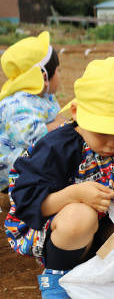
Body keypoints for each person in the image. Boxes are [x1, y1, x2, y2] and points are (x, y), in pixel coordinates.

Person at [4, 57, 114, 299]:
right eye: (102, 131)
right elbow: (28, 199)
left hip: (105, 228)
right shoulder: (58, 146)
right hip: (62, 232)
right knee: (79, 214)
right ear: (76, 114)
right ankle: (58, 273)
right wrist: (75, 194)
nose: (112, 143)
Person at [0, 32, 65, 192]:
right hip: (12, 171)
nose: (60, 75)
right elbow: (28, 136)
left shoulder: (45, 96)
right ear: (44, 77)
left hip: (32, 161)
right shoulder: (18, 104)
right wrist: (58, 124)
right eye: (58, 70)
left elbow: (57, 118)